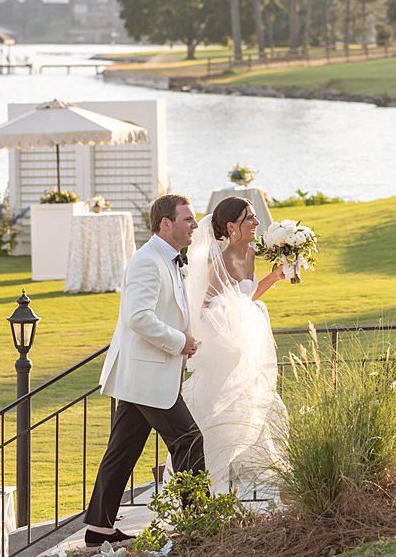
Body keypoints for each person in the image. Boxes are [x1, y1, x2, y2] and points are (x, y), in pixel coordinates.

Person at [83, 194, 203, 547]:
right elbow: (138, 318)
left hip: (144, 376)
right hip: (147, 376)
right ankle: (200, 521)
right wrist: (180, 341)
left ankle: (99, 529)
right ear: (165, 224)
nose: (194, 225)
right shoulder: (147, 261)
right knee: (189, 439)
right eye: (187, 219)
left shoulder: (167, 259)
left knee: (122, 450)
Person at [182, 196, 287, 500]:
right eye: (249, 219)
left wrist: (276, 276)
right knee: (217, 415)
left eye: (255, 217)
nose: (256, 223)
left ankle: (225, 488)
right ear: (231, 226)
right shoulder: (223, 261)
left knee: (248, 409)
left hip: (250, 340)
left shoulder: (250, 253)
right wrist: (231, 334)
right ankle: (205, 487)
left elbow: (248, 294)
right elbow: (205, 309)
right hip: (227, 349)